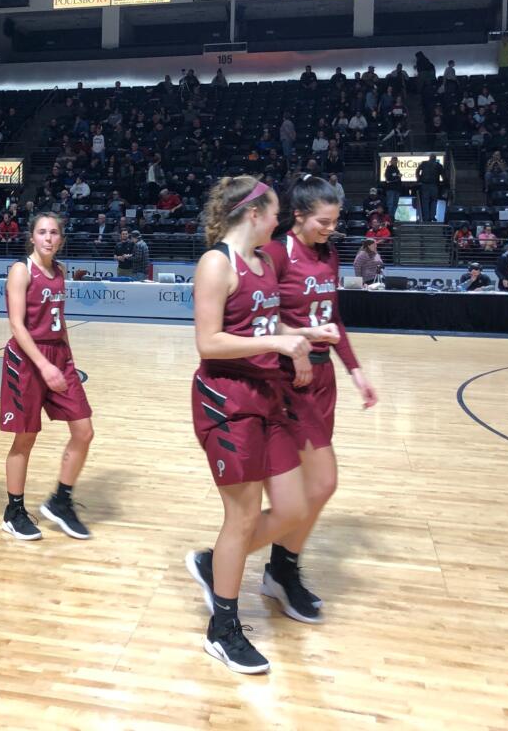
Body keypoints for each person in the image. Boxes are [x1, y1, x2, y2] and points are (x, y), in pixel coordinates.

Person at [180, 175, 338, 674]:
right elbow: (209, 342)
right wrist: (277, 345)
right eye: (273, 212)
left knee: (292, 507)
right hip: (226, 401)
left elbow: (268, 326)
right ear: (252, 215)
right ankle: (223, 630)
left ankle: (214, 564)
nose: (278, 220)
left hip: (267, 398)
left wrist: (306, 332)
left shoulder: (265, 261)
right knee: (244, 516)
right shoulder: (215, 264)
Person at [258, 176, 378, 624]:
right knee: (322, 483)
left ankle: (279, 570)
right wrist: (299, 344)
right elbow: (260, 319)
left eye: (336, 221)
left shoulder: (329, 253)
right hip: (290, 380)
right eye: (323, 222)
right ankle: (265, 566)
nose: (331, 229)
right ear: (299, 216)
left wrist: (356, 371)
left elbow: (333, 318)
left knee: (312, 487)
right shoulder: (273, 254)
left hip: (324, 378)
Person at [0, 213, 95, 542]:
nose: (48, 238)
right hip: (27, 359)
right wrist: (43, 365)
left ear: (61, 239)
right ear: (32, 237)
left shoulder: (61, 272)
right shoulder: (21, 271)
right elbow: (17, 324)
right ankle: (14, 512)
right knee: (25, 438)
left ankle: (61, 500)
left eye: (54, 232)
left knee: (84, 430)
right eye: (42, 232)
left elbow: (61, 320)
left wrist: (67, 358)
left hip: (57, 356)